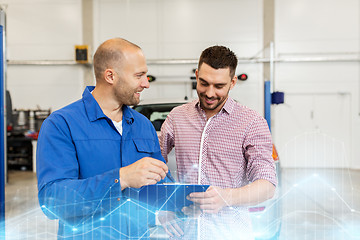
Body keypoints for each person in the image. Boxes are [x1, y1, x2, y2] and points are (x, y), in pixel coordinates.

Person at [36, 38, 171, 240]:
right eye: (139, 75)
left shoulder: (142, 126)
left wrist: (183, 200)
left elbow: (161, 182)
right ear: (110, 76)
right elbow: (53, 201)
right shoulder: (61, 125)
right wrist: (121, 178)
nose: (146, 83)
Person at [159, 45, 277, 240]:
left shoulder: (252, 122)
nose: (210, 93)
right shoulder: (177, 117)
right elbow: (152, 165)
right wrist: (162, 207)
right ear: (196, 75)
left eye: (219, 86)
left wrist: (227, 197)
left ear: (232, 83)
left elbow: (267, 186)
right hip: (184, 233)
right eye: (204, 83)